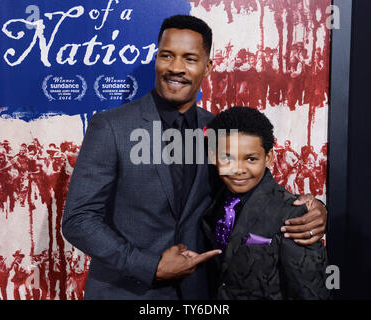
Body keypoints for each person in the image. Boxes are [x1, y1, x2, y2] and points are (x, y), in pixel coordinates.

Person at [62, 14, 327, 300]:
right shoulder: (112, 126)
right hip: (127, 292)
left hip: (200, 294)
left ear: (208, 67)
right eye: (167, 55)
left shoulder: (219, 130)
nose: (176, 68)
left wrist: (311, 209)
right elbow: (78, 219)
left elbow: (256, 189)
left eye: (189, 58)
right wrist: (150, 266)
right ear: (156, 59)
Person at [202, 107, 329, 299]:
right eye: (227, 158)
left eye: (251, 159)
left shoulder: (294, 214)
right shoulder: (211, 199)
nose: (238, 169)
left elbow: (310, 293)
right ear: (213, 157)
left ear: (268, 157)